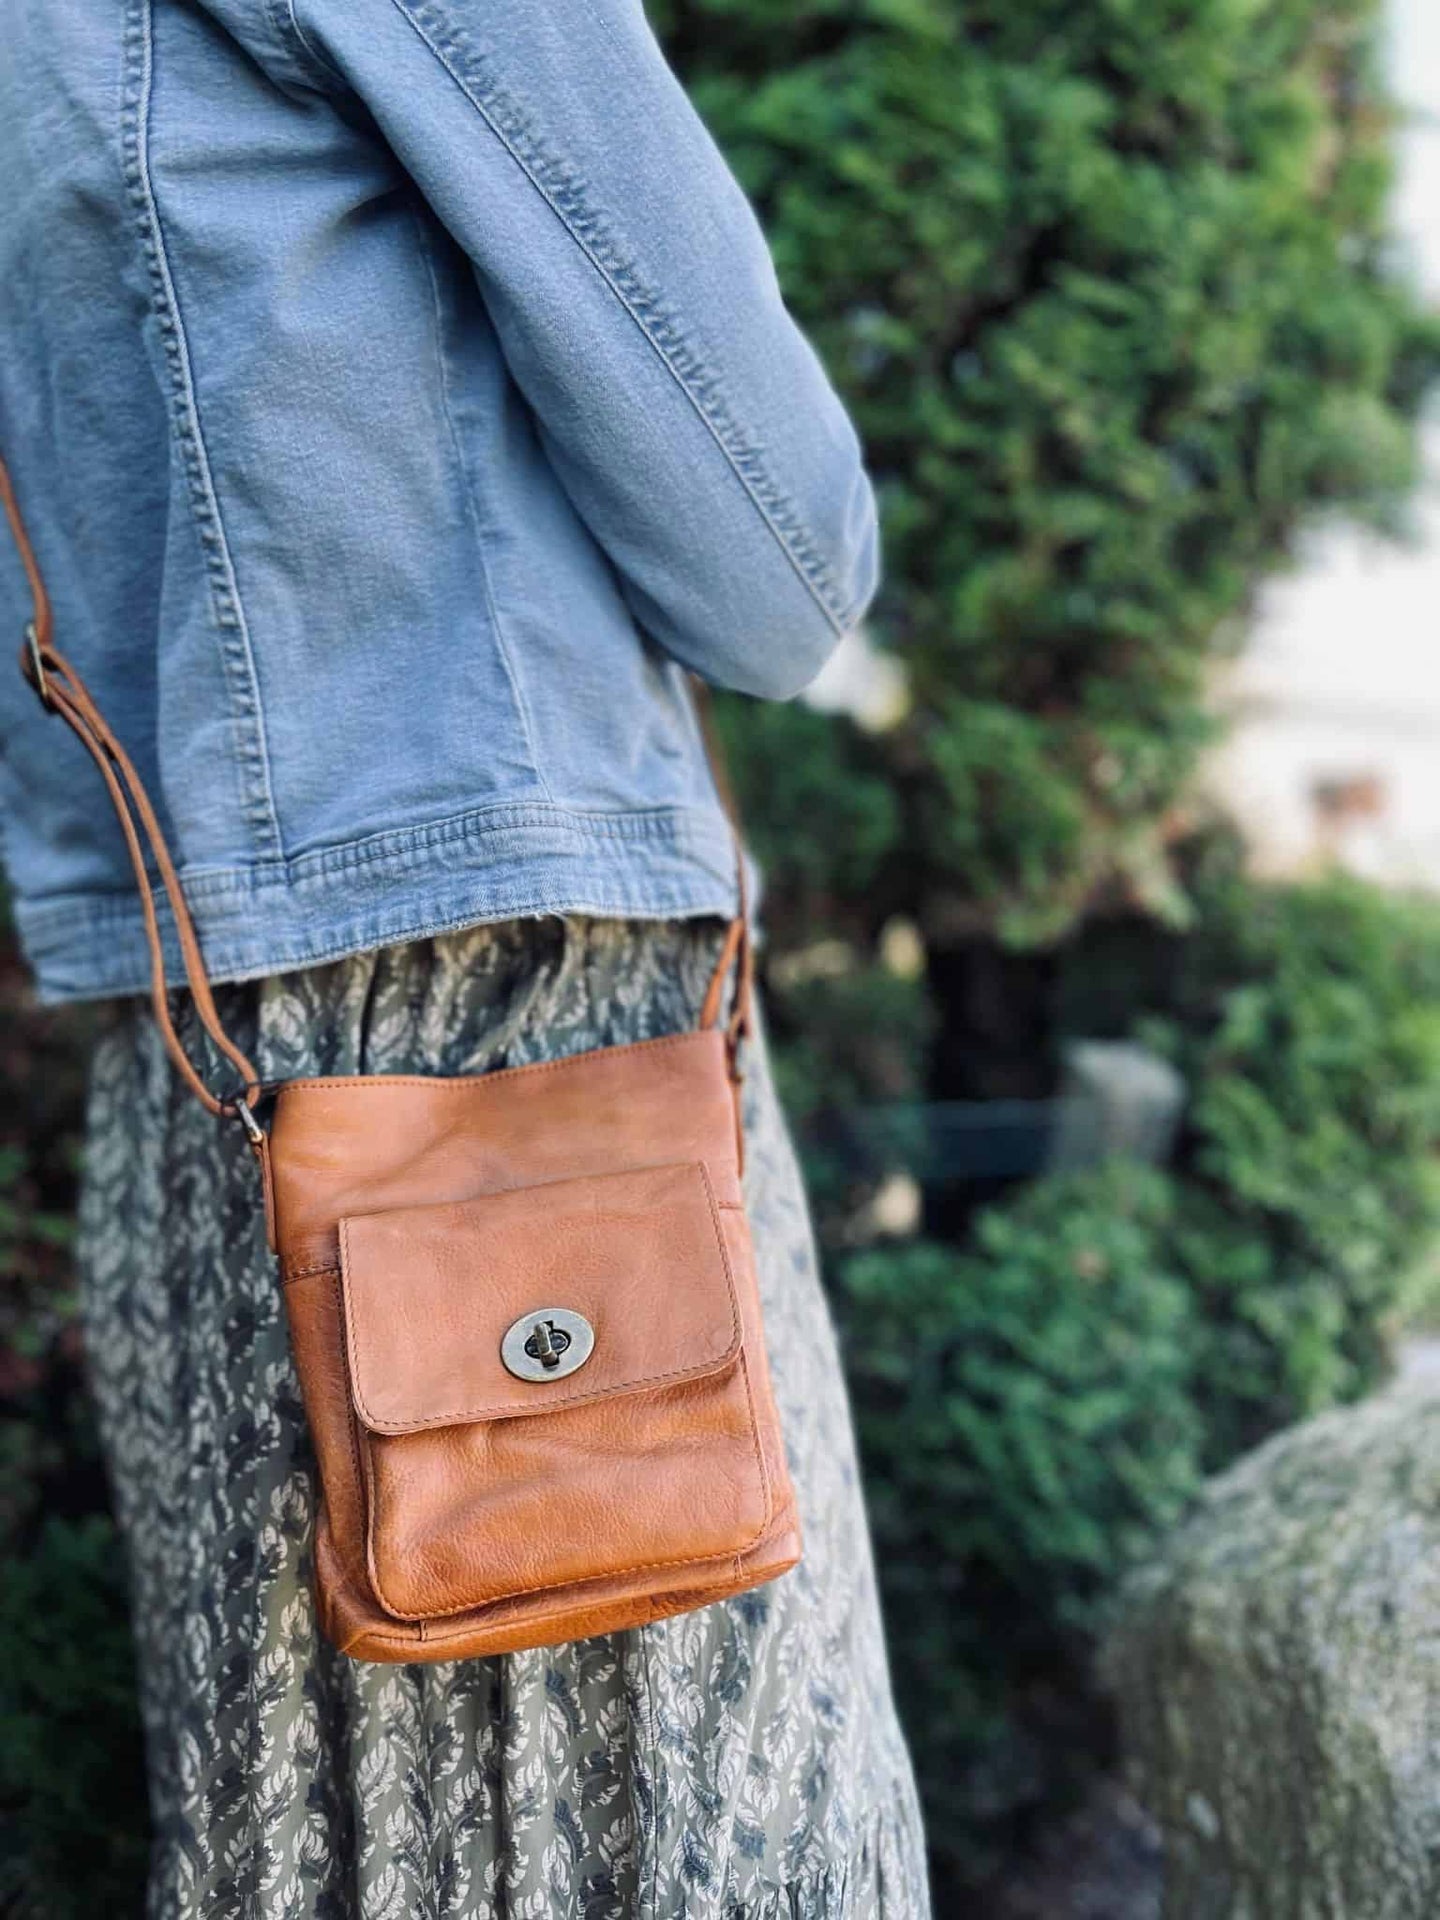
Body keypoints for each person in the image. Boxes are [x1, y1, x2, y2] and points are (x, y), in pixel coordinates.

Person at [0, 2, 929, 1914]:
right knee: (686, 1846)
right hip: (531, 1027)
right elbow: (778, 565)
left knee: (311, 1843)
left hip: (198, 1063)